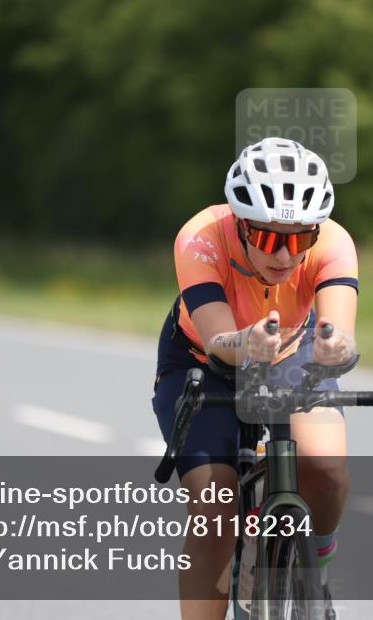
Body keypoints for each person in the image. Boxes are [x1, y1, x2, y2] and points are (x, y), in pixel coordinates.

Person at [152, 138, 359, 619]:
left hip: (292, 349)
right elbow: (219, 339)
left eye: (299, 239)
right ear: (241, 224)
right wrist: (246, 343)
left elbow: (340, 332)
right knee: (214, 509)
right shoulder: (201, 237)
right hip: (204, 359)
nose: (285, 255)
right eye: (268, 239)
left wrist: (336, 347)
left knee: (325, 467)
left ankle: (315, 573)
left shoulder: (334, 242)